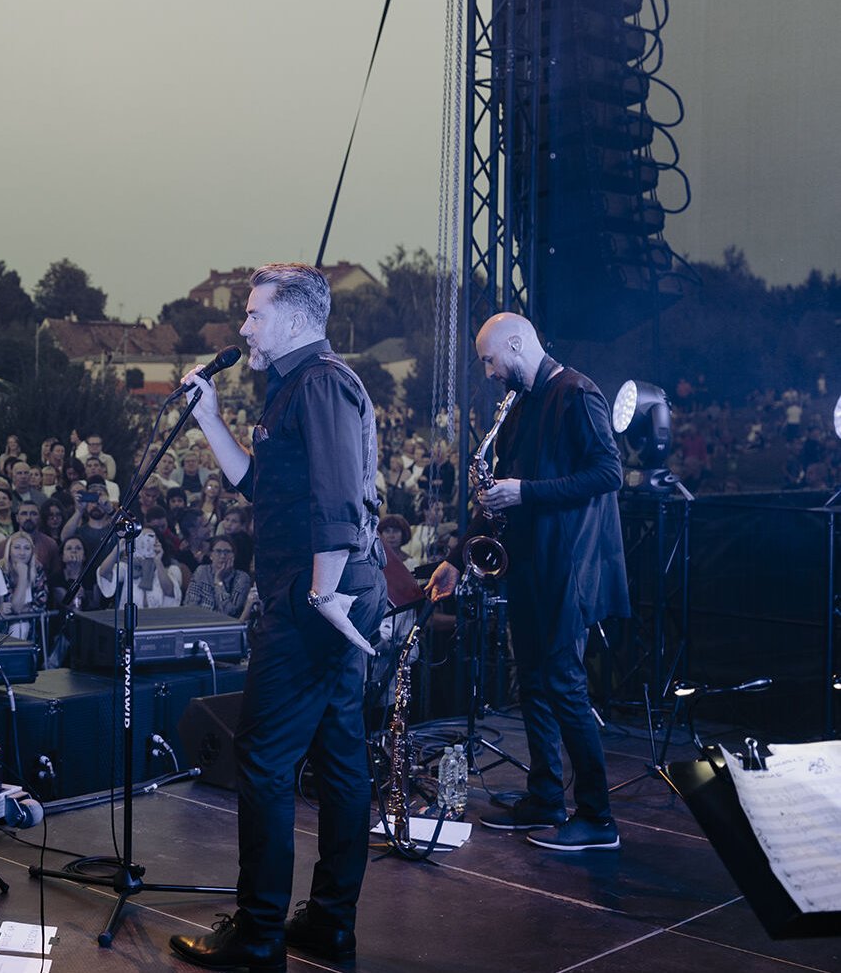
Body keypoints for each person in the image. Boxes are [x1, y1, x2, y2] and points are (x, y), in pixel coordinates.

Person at [169, 263, 386, 972]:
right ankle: (328, 922)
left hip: (316, 596)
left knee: (262, 760)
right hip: (330, 593)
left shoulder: (318, 382)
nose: (243, 326)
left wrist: (322, 595)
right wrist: (208, 418)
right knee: (339, 758)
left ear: (293, 319)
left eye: (254, 313)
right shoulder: (298, 384)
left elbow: (335, 503)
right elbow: (261, 482)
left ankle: (259, 935)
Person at [426, 312, 628, 852]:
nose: (489, 371)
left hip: (568, 569)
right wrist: (456, 556)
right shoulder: (517, 407)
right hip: (532, 567)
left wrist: (527, 493)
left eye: (490, 360)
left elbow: (610, 473)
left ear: (516, 345)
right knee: (534, 685)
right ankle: (545, 796)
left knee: (563, 685)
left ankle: (597, 818)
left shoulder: (577, 393)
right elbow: (498, 496)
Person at [186, 533, 255, 619]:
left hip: (226, 627)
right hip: (201, 623)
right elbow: (190, 605)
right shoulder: (201, 572)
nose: (222, 556)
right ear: (211, 555)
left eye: (227, 552)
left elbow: (230, 612)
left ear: (233, 555)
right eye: (218, 551)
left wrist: (218, 582)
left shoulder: (242, 578)